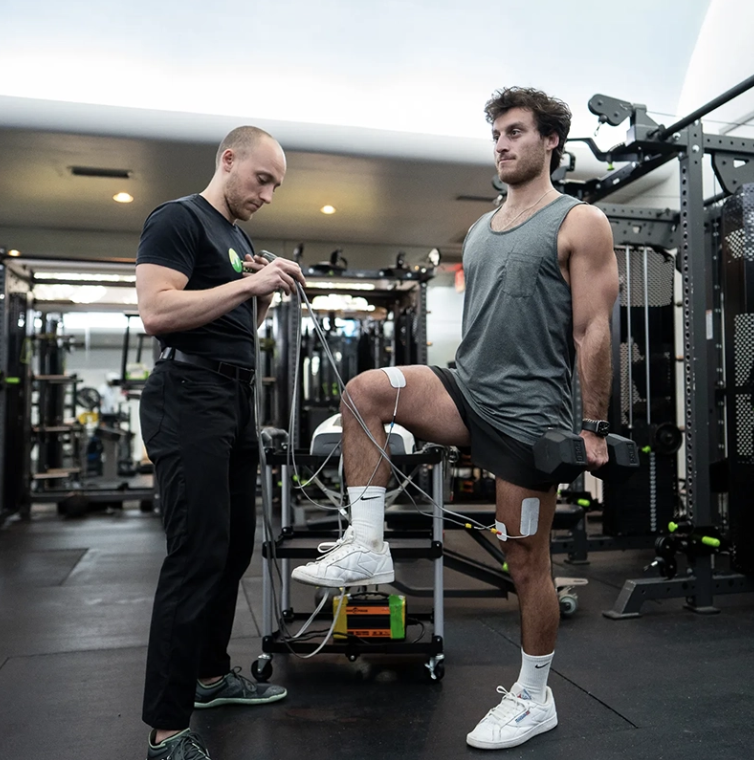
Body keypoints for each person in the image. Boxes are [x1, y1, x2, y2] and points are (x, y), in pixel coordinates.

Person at [291, 87, 618, 751]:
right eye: (496, 133)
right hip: (466, 390)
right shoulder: (480, 227)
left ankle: (533, 696)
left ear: (550, 140)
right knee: (365, 390)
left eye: (516, 132)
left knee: (525, 563)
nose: (501, 144)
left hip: (531, 418)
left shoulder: (579, 222)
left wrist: (592, 427)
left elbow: (593, 328)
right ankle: (367, 542)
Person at [136, 126, 305, 760]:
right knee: (196, 554)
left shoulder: (237, 239)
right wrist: (246, 285)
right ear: (228, 160)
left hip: (235, 397)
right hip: (188, 395)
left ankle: (210, 678)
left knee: (234, 548)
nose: (267, 194)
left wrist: (262, 292)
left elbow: (234, 321)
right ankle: (166, 729)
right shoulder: (177, 220)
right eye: (262, 179)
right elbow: (158, 311)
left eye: (276, 186)